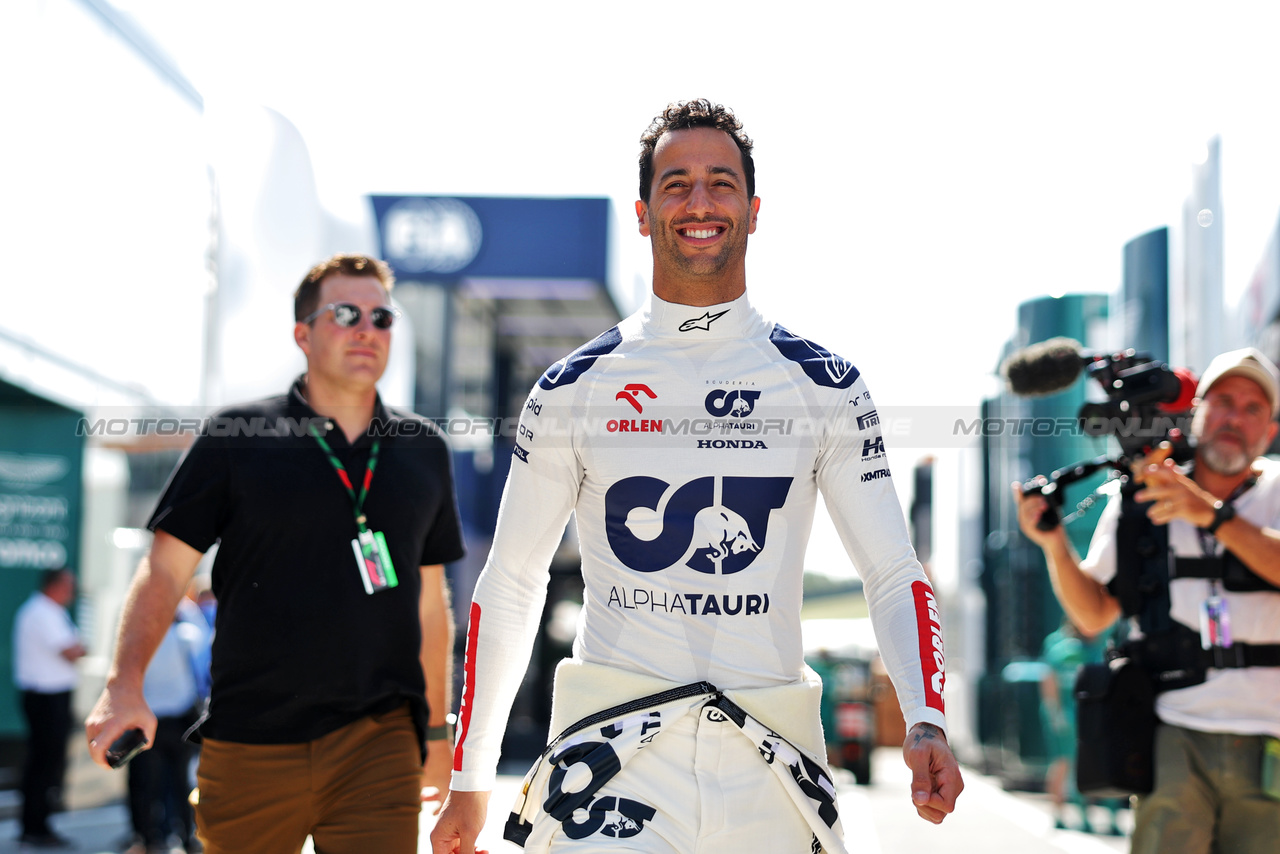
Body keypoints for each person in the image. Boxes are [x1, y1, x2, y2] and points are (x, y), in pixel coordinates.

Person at [431, 99, 963, 854]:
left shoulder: (824, 383)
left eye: (720, 181)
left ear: (753, 209)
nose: (700, 201)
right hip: (610, 762)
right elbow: (512, 581)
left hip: (770, 763)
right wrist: (471, 775)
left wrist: (924, 717)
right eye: (676, 184)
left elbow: (890, 570)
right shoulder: (572, 386)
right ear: (644, 214)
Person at [85, 253, 467, 854]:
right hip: (251, 741)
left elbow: (428, 605)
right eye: (345, 313)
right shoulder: (237, 436)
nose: (367, 328)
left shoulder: (423, 450)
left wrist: (437, 732)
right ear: (303, 334)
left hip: (379, 742)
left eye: (382, 317)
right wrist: (123, 683)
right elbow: (165, 571)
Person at [1014, 347, 1280, 854]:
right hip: (1173, 731)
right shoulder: (1141, 496)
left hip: (1273, 736)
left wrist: (1211, 516)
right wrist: (1053, 542)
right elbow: (1093, 615)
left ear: (1270, 431)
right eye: (1223, 401)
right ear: (1197, 412)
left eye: (1253, 409)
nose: (1235, 419)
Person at [123, 596, 210, 854]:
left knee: (149, 784)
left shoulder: (140, 643)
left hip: (148, 721)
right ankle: (186, 836)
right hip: (179, 721)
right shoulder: (186, 635)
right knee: (181, 782)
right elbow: (204, 645)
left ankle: (151, 838)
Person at [12, 567, 86, 849]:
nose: (72, 591)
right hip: (46, 699)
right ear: (54, 585)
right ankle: (35, 827)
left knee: (45, 764)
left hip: (49, 697)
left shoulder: (48, 612)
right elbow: (72, 651)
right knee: (44, 765)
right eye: (69, 585)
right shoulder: (42, 612)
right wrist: (80, 649)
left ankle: (36, 825)